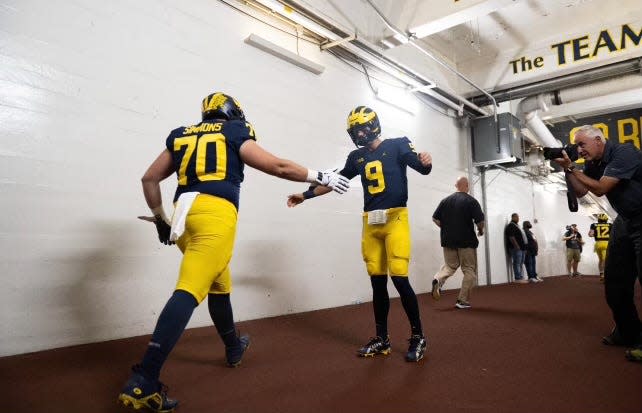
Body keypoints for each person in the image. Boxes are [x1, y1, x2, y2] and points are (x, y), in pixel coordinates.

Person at [117, 92, 351, 412]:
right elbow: (278, 166)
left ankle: (232, 347)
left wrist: (160, 219)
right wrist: (321, 176)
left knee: (219, 284)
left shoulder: (182, 134)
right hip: (215, 217)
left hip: (184, 216)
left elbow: (150, 178)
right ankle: (145, 379)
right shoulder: (234, 131)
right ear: (232, 112)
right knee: (188, 290)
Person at [287, 106, 432, 362]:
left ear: (374, 125)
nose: (359, 133)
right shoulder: (356, 157)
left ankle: (418, 336)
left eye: (363, 128)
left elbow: (421, 168)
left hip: (396, 219)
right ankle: (382, 339)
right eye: (355, 130)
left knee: (399, 279)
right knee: (377, 283)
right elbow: (337, 181)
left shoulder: (398, 144)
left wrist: (426, 162)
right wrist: (305, 195)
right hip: (371, 223)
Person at [553, 124, 642, 362]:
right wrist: (568, 171)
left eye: (582, 144)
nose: (579, 150)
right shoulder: (593, 164)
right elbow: (582, 192)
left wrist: (572, 167)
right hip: (625, 220)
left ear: (599, 140)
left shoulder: (625, 152)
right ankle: (629, 332)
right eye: (577, 146)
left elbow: (601, 189)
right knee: (614, 284)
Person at [430, 176, 484, 309]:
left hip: (448, 240)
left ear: (456, 185)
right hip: (466, 241)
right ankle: (462, 300)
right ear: (467, 186)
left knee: (450, 266)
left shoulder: (445, 201)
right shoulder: (471, 201)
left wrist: (446, 228)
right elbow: (480, 221)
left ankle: (438, 279)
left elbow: (435, 218)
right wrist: (480, 230)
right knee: (469, 270)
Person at [504, 213, 528, 283]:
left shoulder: (517, 226)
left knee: (521, 262)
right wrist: (516, 246)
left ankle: (520, 276)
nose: (518, 218)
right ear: (513, 217)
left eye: (518, 217)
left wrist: (524, 247)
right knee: (517, 262)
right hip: (516, 248)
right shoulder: (511, 226)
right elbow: (511, 237)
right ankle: (517, 278)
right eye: (517, 217)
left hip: (522, 248)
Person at [589, 213, 612, 282]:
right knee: (606, 260)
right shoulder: (610, 225)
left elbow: (591, 234)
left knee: (601, 260)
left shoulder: (593, 225)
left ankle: (601, 274)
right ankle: (605, 275)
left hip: (598, 244)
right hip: (607, 243)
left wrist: (596, 233)